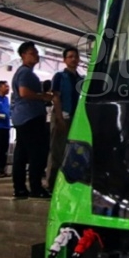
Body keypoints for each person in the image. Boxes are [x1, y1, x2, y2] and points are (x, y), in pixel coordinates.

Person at [11, 41, 54, 199]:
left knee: (21, 155)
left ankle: (20, 188)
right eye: (32, 53)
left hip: (23, 117)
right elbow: (24, 92)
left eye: (36, 52)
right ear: (23, 55)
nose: (36, 55)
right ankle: (36, 187)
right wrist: (43, 96)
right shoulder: (25, 73)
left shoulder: (23, 72)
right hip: (30, 117)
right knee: (37, 153)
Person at [49, 47, 84, 188]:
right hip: (62, 116)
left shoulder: (81, 79)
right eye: (70, 57)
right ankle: (52, 183)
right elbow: (56, 97)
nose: (73, 59)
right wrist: (59, 118)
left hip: (76, 118)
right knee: (57, 150)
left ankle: (70, 182)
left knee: (75, 150)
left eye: (75, 56)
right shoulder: (59, 77)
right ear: (64, 60)